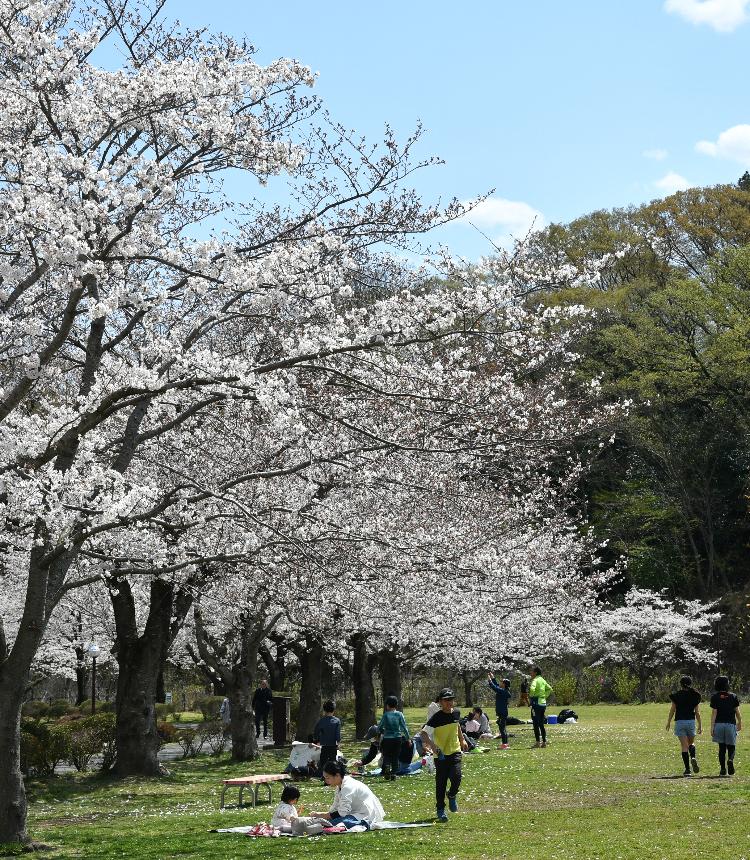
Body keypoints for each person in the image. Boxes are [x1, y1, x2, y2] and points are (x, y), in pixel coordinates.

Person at [420, 687, 468, 823]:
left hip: (455, 751)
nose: (449, 703)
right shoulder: (436, 718)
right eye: (446, 700)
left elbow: (457, 725)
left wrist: (462, 739)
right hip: (440, 754)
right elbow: (423, 733)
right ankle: (440, 809)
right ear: (440, 702)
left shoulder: (457, 713)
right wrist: (433, 746)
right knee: (441, 783)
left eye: (451, 700)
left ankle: (452, 795)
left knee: (457, 777)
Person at [311, 760, 385, 829]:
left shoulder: (348, 786)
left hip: (365, 815)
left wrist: (322, 816)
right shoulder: (340, 786)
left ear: (337, 775)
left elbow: (342, 812)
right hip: (354, 814)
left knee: (333, 824)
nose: (326, 781)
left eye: (327, 777)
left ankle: (365, 823)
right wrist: (320, 815)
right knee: (327, 823)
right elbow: (335, 807)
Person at [665, 675, 702, 776]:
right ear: (690, 683)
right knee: (691, 743)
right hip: (690, 721)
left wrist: (668, 721)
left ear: (680, 684)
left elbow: (672, 710)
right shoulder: (695, 695)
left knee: (684, 746)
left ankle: (687, 770)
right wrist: (700, 724)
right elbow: (697, 712)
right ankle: (693, 756)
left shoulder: (676, 695)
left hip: (680, 722)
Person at [710, 675, 742, 776]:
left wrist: (712, 727)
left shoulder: (714, 697)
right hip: (730, 724)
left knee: (722, 748)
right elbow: (737, 712)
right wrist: (740, 722)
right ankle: (730, 760)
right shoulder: (733, 696)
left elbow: (714, 713)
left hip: (719, 725)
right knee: (731, 747)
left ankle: (723, 770)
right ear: (727, 684)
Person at [377, 694, 410, 780]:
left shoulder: (385, 715)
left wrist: (382, 732)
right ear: (396, 705)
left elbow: (379, 727)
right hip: (397, 738)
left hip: (387, 738)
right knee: (395, 756)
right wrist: (408, 738)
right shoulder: (399, 714)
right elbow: (404, 727)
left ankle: (387, 767)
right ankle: (394, 774)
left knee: (387, 755)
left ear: (387, 705)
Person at [313, 699, 341, 772]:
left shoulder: (321, 721)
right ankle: (333, 776)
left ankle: (324, 777)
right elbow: (337, 734)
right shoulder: (337, 721)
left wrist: (317, 740)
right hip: (333, 745)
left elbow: (316, 732)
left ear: (324, 710)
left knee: (323, 762)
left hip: (324, 745)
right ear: (333, 709)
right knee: (333, 762)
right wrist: (338, 743)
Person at [528, 666, 552, 748]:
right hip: (543, 703)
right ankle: (544, 742)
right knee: (541, 723)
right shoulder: (543, 680)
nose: (531, 673)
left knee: (535, 723)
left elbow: (532, 689)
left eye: (532, 672)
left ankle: (538, 742)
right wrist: (544, 696)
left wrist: (531, 696)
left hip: (536, 704)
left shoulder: (535, 680)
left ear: (535, 673)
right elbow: (549, 689)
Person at [487, 674, 512, 748]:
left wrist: (490, 681)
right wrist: (493, 677)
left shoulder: (503, 691)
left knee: (502, 728)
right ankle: (505, 744)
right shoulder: (503, 690)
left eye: (501, 682)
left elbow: (494, 687)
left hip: (502, 713)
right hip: (501, 713)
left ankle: (505, 744)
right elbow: (497, 686)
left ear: (504, 684)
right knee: (502, 728)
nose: (500, 683)